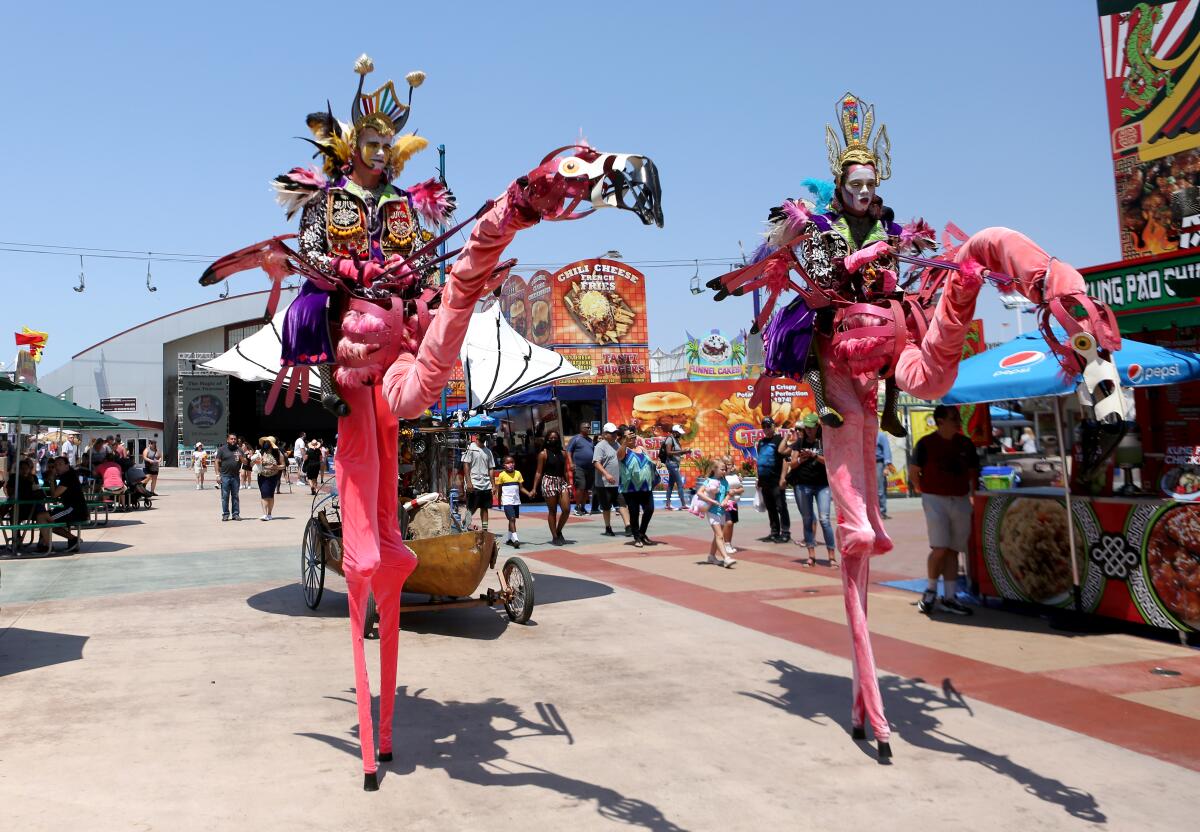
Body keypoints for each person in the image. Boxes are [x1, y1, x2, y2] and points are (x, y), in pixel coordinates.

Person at [911, 405, 979, 617]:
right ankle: (931, 590)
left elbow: (972, 471)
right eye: (953, 418)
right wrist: (921, 489)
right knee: (940, 547)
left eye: (957, 417)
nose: (958, 421)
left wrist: (972, 495)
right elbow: (915, 471)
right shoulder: (926, 444)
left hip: (959, 498)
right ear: (940, 421)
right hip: (935, 499)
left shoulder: (965, 444)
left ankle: (950, 597)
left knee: (953, 549)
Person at [786, 414, 837, 567]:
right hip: (803, 485)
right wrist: (803, 458)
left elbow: (831, 461)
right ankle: (811, 555)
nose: (808, 430)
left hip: (822, 485)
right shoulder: (799, 443)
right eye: (806, 427)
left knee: (825, 519)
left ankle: (831, 556)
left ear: (817, 427)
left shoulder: (824, 442)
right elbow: (793, 464)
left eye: (811, 427)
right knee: (808, 519)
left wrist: (814, 455)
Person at [617, 432, 659, 548]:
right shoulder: (623, 450)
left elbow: (649, 461)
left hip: (646, 486)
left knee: (649, 509)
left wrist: (656, 464)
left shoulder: (641, 448)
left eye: (633, 436)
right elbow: (619, 456)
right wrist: (625, 443)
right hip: (631, 488)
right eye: (628, 437)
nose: (632, 438)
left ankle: (642, 533)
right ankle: (637, 537)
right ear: (624, 439)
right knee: (634, 513)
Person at [531, 430, 573, 545]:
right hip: (549, 481)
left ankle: (559, 531)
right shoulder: (543, 454)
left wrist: (569, 485)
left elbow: (564, 471)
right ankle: (554, 536)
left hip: (561, 481)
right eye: (551, 438)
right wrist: (534, 488)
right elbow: (538, 472)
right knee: (552, 510)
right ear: (547, 440)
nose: (553, 440)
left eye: (555, 438)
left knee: (566, 509)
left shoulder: (563, 453)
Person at [4, 458, 53, 553]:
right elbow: (10, 493)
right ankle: (16, 539)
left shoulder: (33, 478)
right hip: (20, 507)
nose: (24, 470)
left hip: (33, 507)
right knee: (13, 514)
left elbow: (38, 492)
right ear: (18, 469)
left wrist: (33, 482)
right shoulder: (14, 477)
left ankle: (42, 542)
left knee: (42, 512)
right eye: (22, 468)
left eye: (26, 468)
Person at [755, 417, 790, 543]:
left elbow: (786, 459)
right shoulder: (761, 442)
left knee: (781, 506)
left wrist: (783, 478)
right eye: (763, 426)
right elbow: (760, 459)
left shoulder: (779, 440)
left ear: (774, 426)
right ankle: (774, 532)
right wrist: (758, 478)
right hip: (765, 480)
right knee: (770, 507)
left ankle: (785, 532)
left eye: (768, 426)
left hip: (776, 480)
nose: (766, 429)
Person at [592, 423, 630, 537]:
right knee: (606, 507)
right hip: (603, 484)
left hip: (617, 482)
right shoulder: (600, 446)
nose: (614, 435)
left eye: (615, 433)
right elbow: (596, 462)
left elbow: (622, 457)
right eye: (611, 433)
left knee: (622, 504)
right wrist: (606, 474)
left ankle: (628, 526)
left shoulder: (617, 444)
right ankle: (608, 527)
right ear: (605, 434)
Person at [696, 460, 736, 567]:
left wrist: (726, 500)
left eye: (725, 469)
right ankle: (726, 558)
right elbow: (699, 492)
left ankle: (711, 556)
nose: (724, 471)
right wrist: (712, 501)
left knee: (717, 535)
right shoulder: (709, 481)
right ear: (714, 469)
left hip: (722, 511)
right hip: (712, 511)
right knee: (719, 535)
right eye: (722, 469)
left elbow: (728, 493)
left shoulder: (725, 482)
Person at [47, 456, 86, 553]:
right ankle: (44, 544)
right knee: (45, 516)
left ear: (67, 466)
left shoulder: (68, 477)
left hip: (75, 510)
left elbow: (54, 495)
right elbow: (55, 499)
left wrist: (51, 480)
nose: (57, 467)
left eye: (60, 464)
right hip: (73, 509)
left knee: (47, 520)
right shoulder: (67, 475)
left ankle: (73, 539)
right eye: (55, 465)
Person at [461, 432, 496, 534]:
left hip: (486, 484)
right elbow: (466, 465)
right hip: (474, 483)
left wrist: (493, 485)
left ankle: (485, 529)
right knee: (472, 507)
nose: (483, 440)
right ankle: (465, 524)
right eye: (481, 438)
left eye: (484, 438)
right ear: (476, 437)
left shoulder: (488, 451)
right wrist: (468, 482)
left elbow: (491, 469)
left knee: (485, 508)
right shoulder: (470, 449)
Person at [493, 455, 531, 548]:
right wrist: (499, 502)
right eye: (508, 463)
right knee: (512, 519)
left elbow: (521, 488)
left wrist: (528, 493)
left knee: (512, 520)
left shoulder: (518, 473)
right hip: (506, 501)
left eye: (512, 462)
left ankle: (509, 539)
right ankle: (516, 539)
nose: (510, 464)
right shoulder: (501, 475)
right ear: (504, 465)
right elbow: (499, 490)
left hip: (516, 501)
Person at [254, 436, 285, 521]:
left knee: (270, 495)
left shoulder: (278, 453)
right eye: (265, 443)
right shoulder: (260, 453)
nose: (266, 444)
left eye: (268, 443)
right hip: (262, 476)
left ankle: (269, 514)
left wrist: (276, 467)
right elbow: (252, 463)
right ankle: (264, 514)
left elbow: (283, 465)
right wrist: (256, 462)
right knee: (264, 494)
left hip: (273, 477)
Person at [566, 427, 595, 517]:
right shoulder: (575, 438)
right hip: (579, 467)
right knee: (580, 487)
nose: (589, 429)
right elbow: (568, 452)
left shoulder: (590, 440)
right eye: (586, 427)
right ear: (581, 428)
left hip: (590, 468)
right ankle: (577, 507)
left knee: (586, 489)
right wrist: (571, 463)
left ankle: (583, 507)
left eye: (589, 427)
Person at [659, 424, 689, 510]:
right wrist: (682, 451)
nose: (680, 435)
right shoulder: (670, 439)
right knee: (680, 483)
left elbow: (677, 452)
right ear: (675, 432)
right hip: (671, 464)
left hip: (674, 464)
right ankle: (683, 504)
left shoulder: (675, 439)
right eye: (679, 433)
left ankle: (668, 504)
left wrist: (685, 452)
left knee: (671, 485)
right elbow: (668, 452)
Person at [720, 455, 745, 555]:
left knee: (731, 524)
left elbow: (741, 489)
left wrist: (734, 491)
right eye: (725, 464)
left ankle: (728, 543)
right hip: (724, 503)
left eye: (729, 464)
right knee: (728, 523)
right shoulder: (721, 477)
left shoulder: (735, 476)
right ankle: (725, 544)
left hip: (733, 503)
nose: (727, 466)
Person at [216, 432, 243, 521]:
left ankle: (236, 514)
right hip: (225, 476)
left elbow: (246, 462)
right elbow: (216, 462)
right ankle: (225, 514)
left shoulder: (239, 450)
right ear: (227, 440)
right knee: (225, 496)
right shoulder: (222, 449)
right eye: (231, 439)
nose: (233, 440)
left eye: (234, 439)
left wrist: (242, 458)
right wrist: (217, 475)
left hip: (235, 476)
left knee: (235, 496)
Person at [876, 430, 893, 520]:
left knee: (880, 489)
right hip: (866, 463)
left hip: (878, 463)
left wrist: (886, 467)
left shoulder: (881, 435)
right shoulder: (864, 434)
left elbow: (887, 451)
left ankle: (882, 512)